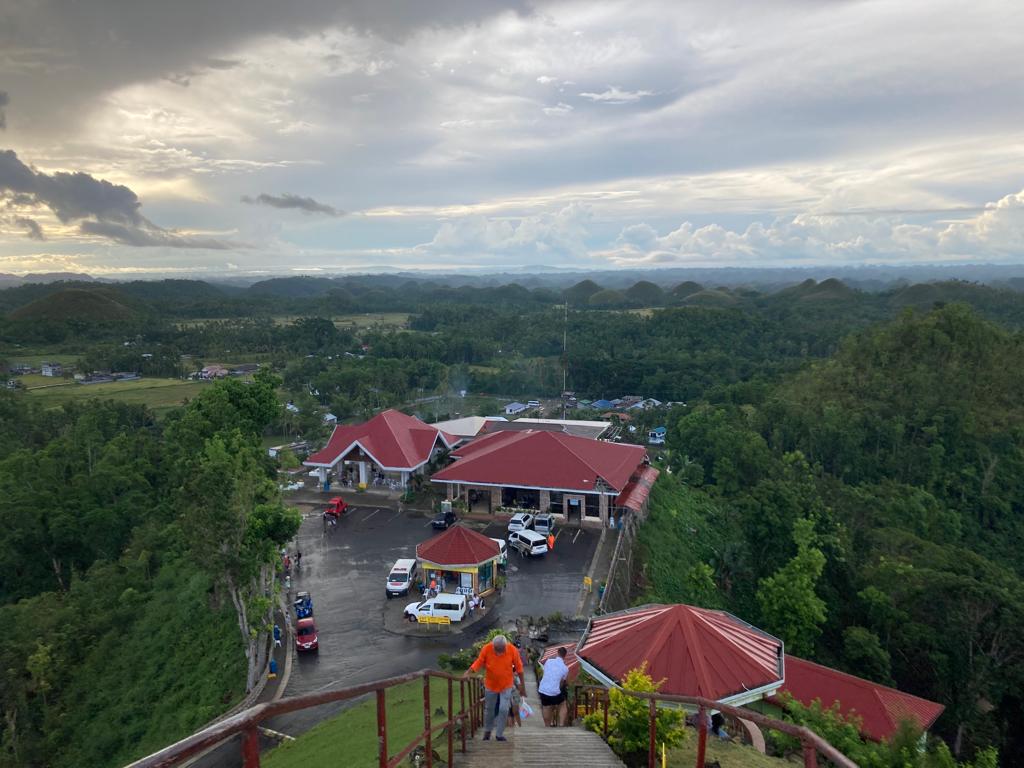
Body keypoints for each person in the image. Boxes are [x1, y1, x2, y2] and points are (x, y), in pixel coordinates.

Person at [463, 635, 525, 742]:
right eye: (497, 650)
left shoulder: (512, 650)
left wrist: (522, 686)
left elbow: (519, 668)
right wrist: (468, 672)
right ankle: (487, 731)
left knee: (504, 709)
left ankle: (499, 734)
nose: (499, 653)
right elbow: (479, 662)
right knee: (489, 709)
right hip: (491, 685)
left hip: (506, 685)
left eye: (501, 650)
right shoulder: (486, 648)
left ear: (505, 646)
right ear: (493, 646)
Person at [538, 646, 570, 726]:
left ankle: (547, 725)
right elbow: (562, 682)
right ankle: (561, 724)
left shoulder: (548, 661)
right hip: (554, 692)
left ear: (557, 653)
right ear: (565, 656)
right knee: (563, 704)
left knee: (546, 706)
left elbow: (545, 672)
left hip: (543, 689)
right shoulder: (565, 668)